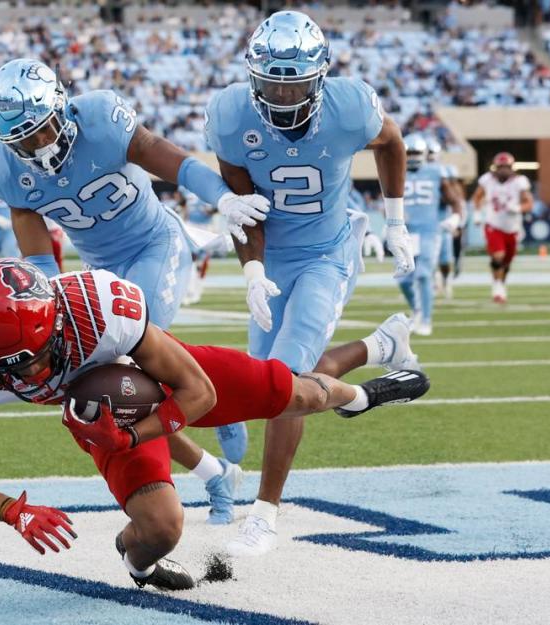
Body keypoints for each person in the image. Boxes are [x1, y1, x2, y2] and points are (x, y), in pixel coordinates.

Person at [0, 258, 430, 591]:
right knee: (163, 528)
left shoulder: (99, 306)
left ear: (57, 322)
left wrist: (132, 435)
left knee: (297, 394)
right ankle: (136, 560)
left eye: (34, 360)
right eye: (10, 368)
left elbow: (199, 392)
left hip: (152, 378)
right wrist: (12, 511)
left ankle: (361, 395)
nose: (29, 374)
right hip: (104, 412)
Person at [0, 58, 273, 524]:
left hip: (153, 245)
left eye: (41, 131)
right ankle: (215, 473)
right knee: (119, 389)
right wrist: (46, 294)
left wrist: (222, 197)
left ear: (62, 107)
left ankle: (209, 400)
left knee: (136, 362)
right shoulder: (1, 162)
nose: (36, 147)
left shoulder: (99, 118)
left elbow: (164, 154)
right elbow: (26, 221)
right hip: (96, 269)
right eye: (22, 140)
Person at [204, 10, 419, 555]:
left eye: (292, 80)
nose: (279, 94)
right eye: (270, 79)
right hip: (272, 258)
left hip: (328, 251)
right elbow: (243, 206)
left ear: (319, 76)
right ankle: (380, 348)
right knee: (270, 386)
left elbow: (391, 142)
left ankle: (266, 513)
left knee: (284, 383)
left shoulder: (348, 106)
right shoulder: (230, 115)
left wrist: (396, 221)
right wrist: (251, 268)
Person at [396, 135, 464, 336]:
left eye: (416, 153)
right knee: (404, 280)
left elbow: (455, 199)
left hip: (428, 231)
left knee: (424, 274)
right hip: (406, 232)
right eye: (410, 153)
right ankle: (417, 310)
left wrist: (456, 217)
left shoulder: (436, 172)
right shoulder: (396, 170)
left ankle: (426, 320)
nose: (413, 157)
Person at [470, 152, 534, 304]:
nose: (503, 170)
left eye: (506, 167)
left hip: (512, 227)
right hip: (493, 223)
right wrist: (478, 213)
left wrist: (518, 208)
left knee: (507, 261)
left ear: (512, 167)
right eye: (501, 167)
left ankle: (501, 284)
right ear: (496, 167)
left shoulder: (520, 182)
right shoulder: (487, 180)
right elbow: (477, 196)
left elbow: (529, 204)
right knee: (498, 255)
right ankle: (497, 287)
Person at [425, 136, 464, 298]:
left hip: (442, 220)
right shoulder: (414, 171)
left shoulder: (445, 171)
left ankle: (446, 279)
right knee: (425, 257)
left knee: (445, 259)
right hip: (424, 221)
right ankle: (433, 281)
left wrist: (457, 221)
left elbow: (457, 197)